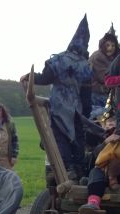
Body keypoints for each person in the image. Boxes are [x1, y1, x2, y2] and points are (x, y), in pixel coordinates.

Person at [24, 15, 93, 181]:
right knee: (77, 138)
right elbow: (86, 95)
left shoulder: (59, 60)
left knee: (61, 136)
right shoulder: (85, 66)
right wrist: (86, 113)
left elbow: (46, 78)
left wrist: (29, 77)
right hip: (76, 109)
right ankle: (78, 169)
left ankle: (67, 168)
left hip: (59, 106)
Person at [89, 24, 120, 119]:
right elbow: (105, 78)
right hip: (97, 94)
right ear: (103, 45)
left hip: (108, 94)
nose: (110, 48)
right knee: (112, 114)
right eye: (107, 45)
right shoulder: (98, 57)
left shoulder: (113, 57)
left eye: (113, 45)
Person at [0, 102, 19, 170]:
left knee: (8, 175)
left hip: (7, 159)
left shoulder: (9, 125)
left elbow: (15, 141)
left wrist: (14, 156)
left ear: (3, 112)